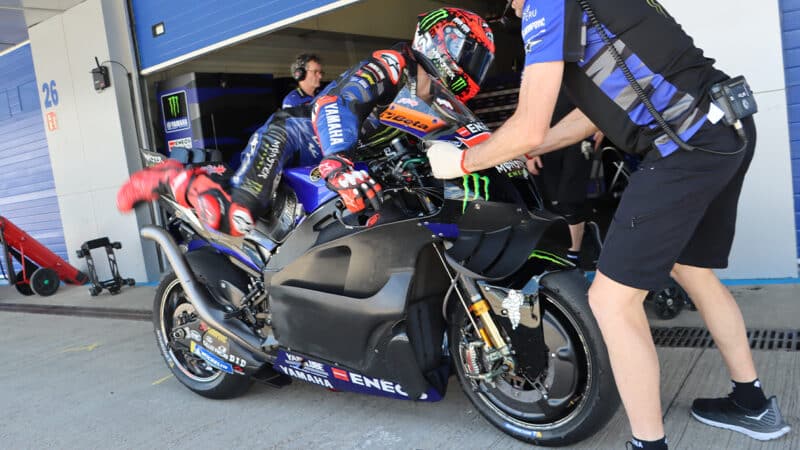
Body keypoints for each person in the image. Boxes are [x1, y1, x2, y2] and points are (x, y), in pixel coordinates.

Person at [426, 0, 790, 448]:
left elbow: (529, 125)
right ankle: (751, 404)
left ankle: (647, 444)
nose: (513, 8)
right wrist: (525, 150)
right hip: (725, 125)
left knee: (612, 302)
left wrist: (461, 161)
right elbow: (590, 112)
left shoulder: (547, 2)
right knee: (692, 270)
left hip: (685, 146)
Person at [117, 8, 495, 239]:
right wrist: (336, 158)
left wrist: (510, 153)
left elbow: (468, 132)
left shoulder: (440, 98)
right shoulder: (393, 63)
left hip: (354, 162)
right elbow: (337, 102)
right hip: (298, 136)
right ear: (443, 41)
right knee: (235, 214)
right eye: (472, 55)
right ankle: (178, 178)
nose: (474, 66)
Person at [527, 91, 602, 269]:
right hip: (549, 135)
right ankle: (582, 233)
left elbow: (603, 92)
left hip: (583, 132)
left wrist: (600, 127)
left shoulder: (581, 64)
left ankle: (574, 252)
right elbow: (532, 107)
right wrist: (530, 152)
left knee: (570, 196)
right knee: (551, 198)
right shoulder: (539, 68)